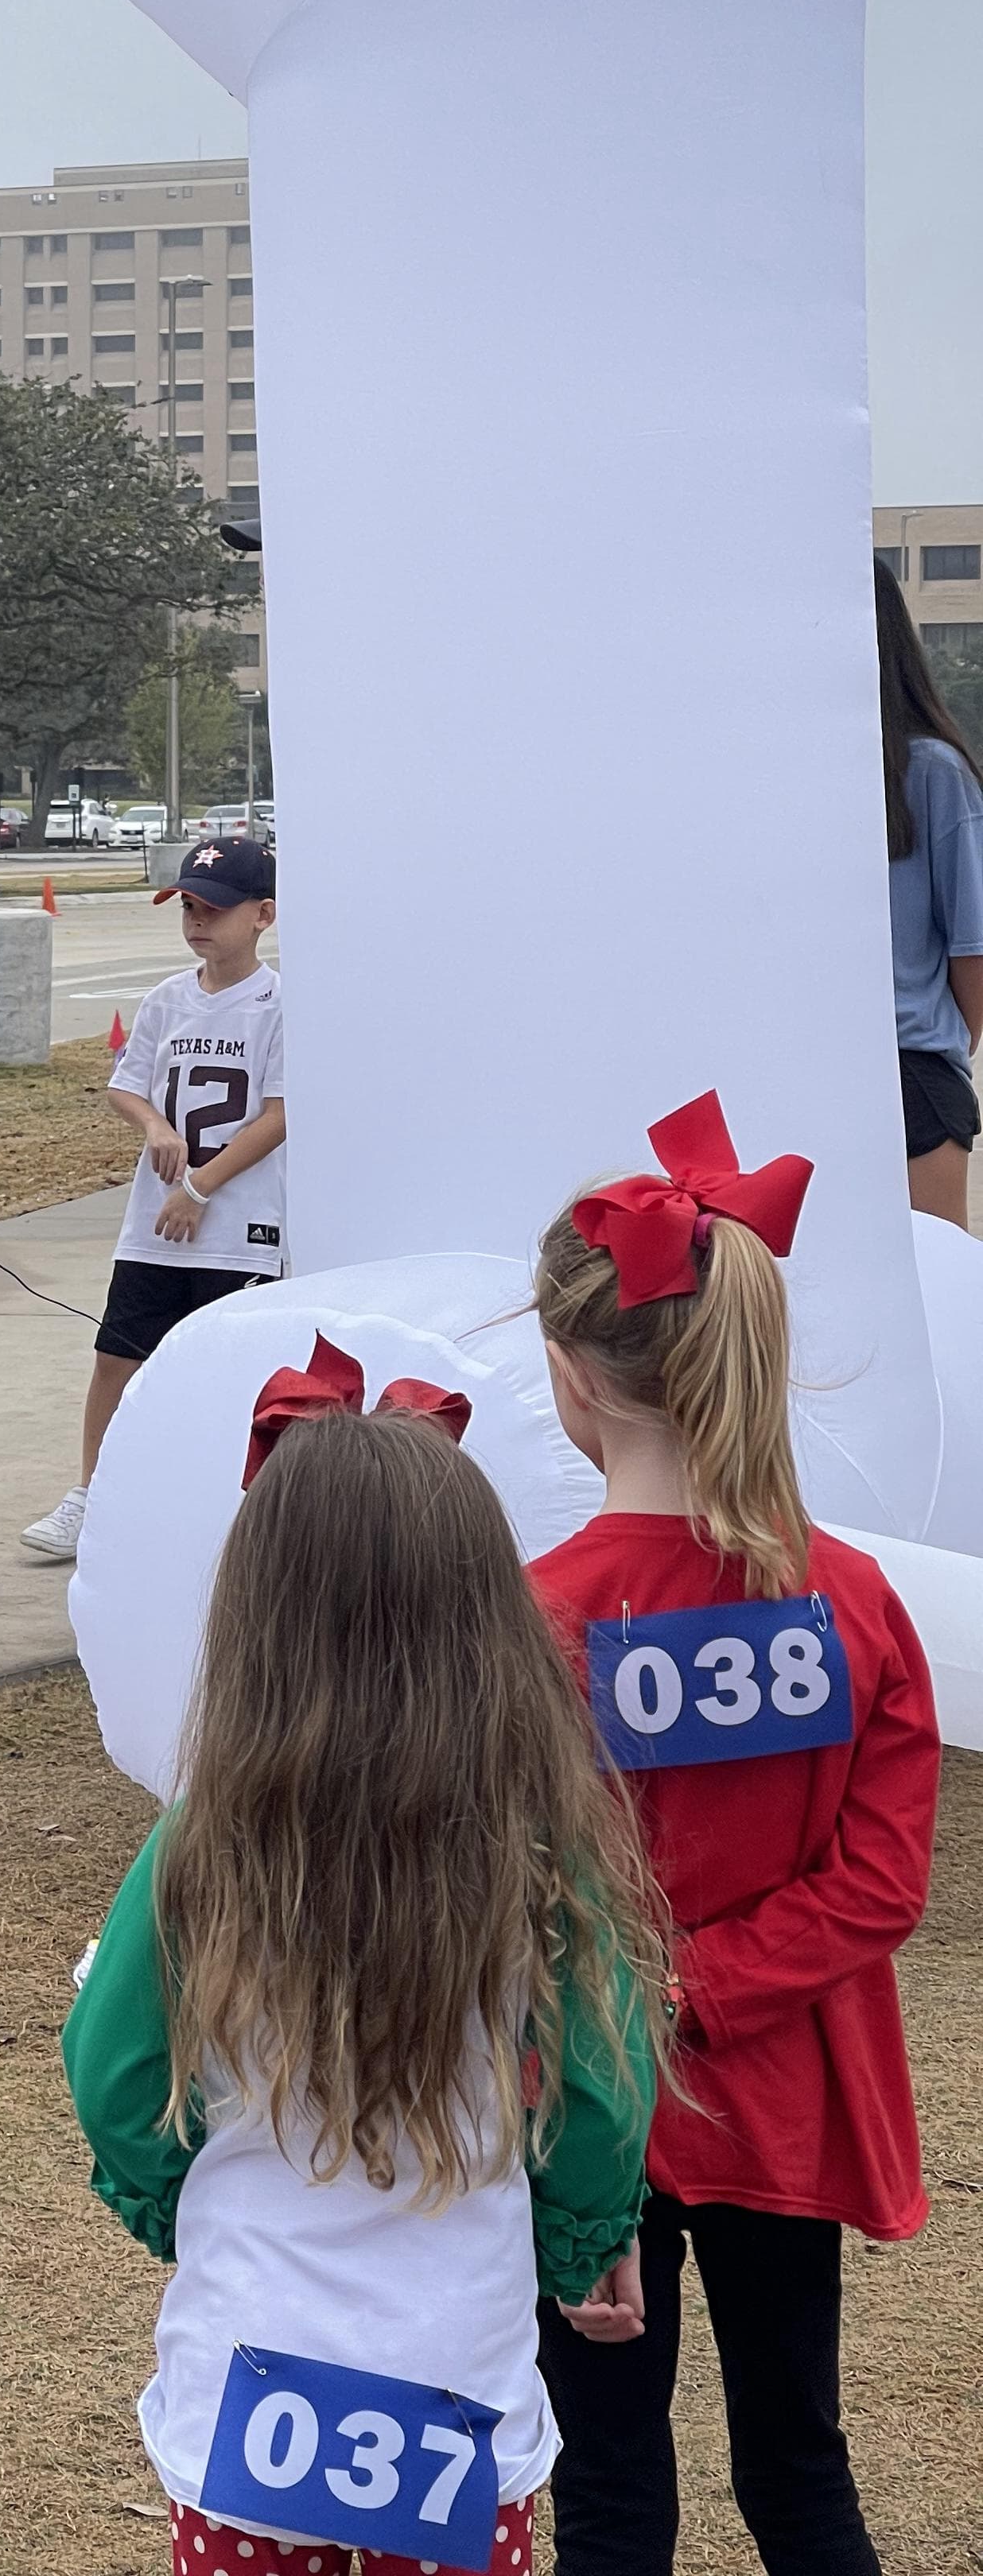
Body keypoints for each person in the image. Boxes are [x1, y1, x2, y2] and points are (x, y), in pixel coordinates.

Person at [64, 1351, 662, 2576]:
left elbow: (114, 2069)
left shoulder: (200, 1845)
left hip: (247, 2383)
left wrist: (191, 2200)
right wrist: (572, 2239)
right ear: (484, 1615)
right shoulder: (544, 1850)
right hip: (460, 2386)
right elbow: (604, 2092)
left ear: (258, 1611)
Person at [527, 1090, 939, 2576]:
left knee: (609, 2494)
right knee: (798, 2469)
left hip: (583, 2104)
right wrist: (703, 1989)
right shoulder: (855, 1605)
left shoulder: (525, 1618)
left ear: (568, 1376)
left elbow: (502, 1901)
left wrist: (641, 1997)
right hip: (783, 2099)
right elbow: (876, 1885)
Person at [22, 833, 283, 1562]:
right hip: (156, 1224)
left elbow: (279, 1115)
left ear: (262, 915)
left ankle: (237, 1511)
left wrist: (201, 1186)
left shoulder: (277, 1004)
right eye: (189, 906)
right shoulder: (167, 1000)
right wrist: (155, 1125)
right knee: (119, 1355)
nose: (199, 921)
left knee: (233, 1368)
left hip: (240, 1226)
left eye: (216, 909)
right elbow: (125, 1086)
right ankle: (91, 1496)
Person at [873, 554, 983, 1223]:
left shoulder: (928, 770)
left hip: (909, 1074)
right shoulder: (936, 772)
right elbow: (974, 946)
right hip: (913, 1064)